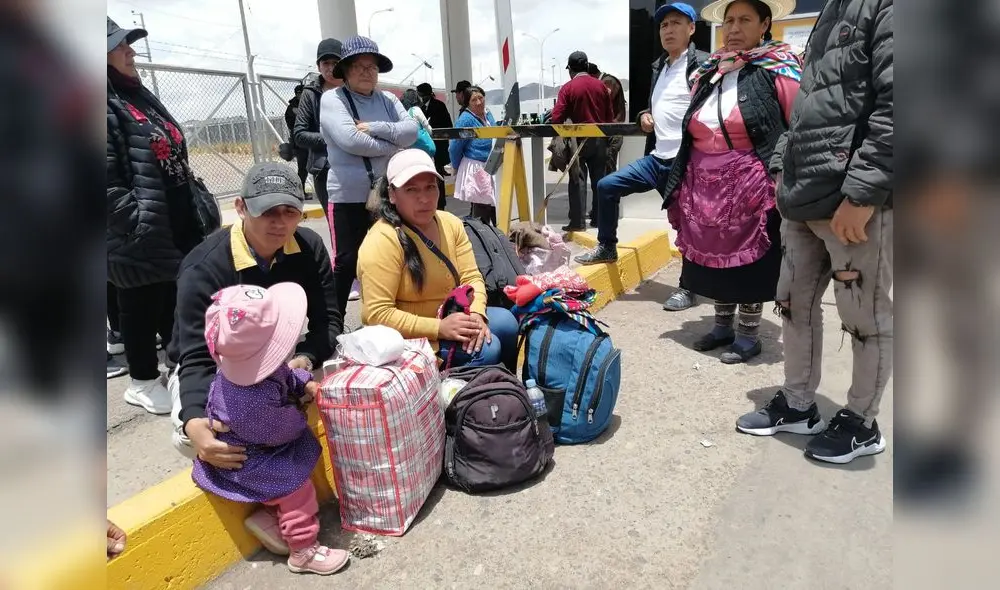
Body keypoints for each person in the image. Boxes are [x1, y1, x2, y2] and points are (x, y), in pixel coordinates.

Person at [736, 0, 893, 465]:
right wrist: (783, 163)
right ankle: (799, 404)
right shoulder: (831, 11)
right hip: (803, 198)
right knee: (793, 305)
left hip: (851, 202)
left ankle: (863, 422)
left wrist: (864, 193)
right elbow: (808, 104)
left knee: (864, 318)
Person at [168, 162, 342, 553]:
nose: (280, 223)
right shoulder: (203, 266)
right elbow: (195, 357)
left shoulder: (309, 246)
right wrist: (194, 422)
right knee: (208, 438)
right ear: (242, 207)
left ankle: (279, 503)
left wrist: (306, 357)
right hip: (215, 368)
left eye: (290, 211)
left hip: (280, 357)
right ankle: (270, 503)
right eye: (268, 211)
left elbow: (329, 320)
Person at [654, 0, 802, 365]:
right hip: (703, 178)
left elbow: (796, 123)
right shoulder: (709, 70)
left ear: (764, 24)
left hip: (750, 176)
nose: (734, 28)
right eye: (729, 21)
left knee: (747, 260)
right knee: (714, 258)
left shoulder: (779, 68)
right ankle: (721, 326)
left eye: (745, 20)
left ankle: (749, 334)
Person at [193, 283, 350, 575]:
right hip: (250, 459)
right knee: (295, 487)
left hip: (258, 443)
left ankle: (269, 518)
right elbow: (280, 431)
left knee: (288, 480)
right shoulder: (248, 400)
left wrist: (306, 382)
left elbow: (287, 375)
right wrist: (298, 415)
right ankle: (303, 550)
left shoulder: (249, 365)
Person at [574, 1, 707, 324]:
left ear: (691, 29)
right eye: (664, 25)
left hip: (685, 160)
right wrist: (643, 114)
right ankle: (607, 245)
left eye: (676, 23)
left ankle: (688, 286)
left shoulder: (704, 64)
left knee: (685, 222)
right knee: (607, 186)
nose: (669, 30)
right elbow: (653, 106)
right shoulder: (659, 66)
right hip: (657, 157)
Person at [107, 17, 205, 414]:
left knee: (172, 296)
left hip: (173, 219)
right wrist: (136, 222)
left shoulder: (137, 94)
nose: (131, 51)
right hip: (139, 228)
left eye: (129, 43)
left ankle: (177, 366)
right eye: (120, 45)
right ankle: (142, 380)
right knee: (140, 303)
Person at [358, 149, 519, 372]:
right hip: (412, 336)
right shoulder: (382, 240)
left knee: (507, 323)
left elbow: (471, 277)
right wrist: (439, 328)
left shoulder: (450, 223)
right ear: (392, 195)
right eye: (411, 190)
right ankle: (460, 402)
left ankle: (505, 392)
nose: (424, 199)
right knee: (487, 349)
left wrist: (477, 313)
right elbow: (377, 314)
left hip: (454, 316)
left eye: (430, 187)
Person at [320, 35, 418, 321]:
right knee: (347, 262)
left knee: (391, 255)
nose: (367, 72)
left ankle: (391, 317)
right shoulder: (332, 99)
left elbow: (411, 132)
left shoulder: (388, 99)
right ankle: (331, 325)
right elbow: (350, 140)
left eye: (372, 67)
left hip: (387, 193)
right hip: (348, 195)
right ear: (346, 70)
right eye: (359, 66)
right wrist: (392, 142)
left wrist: (374, 127)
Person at [550, 50, 615, 231]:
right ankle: (598, 219)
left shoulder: (568, 88)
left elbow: (556, 118)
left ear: (570, 69)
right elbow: (609, 117)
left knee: (577, 180)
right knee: (600, 180)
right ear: (587, 66)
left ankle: (578, 222)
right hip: (599, 140)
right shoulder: (601, 86)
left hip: (577, 142)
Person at [448, 86, 499, 225]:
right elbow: (454, 147)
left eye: (481, 98)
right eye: (473, 100)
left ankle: (499, 238)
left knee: (496, 206)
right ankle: (482, 240)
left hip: (492, 164)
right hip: (477, 167)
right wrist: (455, 166)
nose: (478, 102)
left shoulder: (488, 114)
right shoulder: (466, 119)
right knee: (482, 207)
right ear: (468, 103)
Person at [417, 82, 454, 210]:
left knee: (438, 177)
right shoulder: (420, 108)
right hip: (426, 149)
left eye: (422, 95)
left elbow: (448, 124)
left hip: (437, 148)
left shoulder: (439, 106)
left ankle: (440, 204)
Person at [600, 72, 628, 174]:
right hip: (612, 131)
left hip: (611, 132)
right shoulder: (609, 80)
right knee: (608, 168)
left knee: (608, 169)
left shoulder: (607, 81)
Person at [284, 84, 309, 192]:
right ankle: (301, 191)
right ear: (297, 94)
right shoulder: (292, 107)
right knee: (303, 168)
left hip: (313, 140)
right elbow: (292, 125)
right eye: (300, 93)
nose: (302, 95)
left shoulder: (309, 104)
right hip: (301, 143)